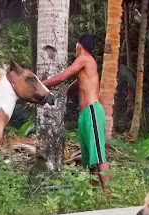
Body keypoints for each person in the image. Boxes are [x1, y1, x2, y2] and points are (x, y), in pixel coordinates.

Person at [42, 34, 110, 195]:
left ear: (79, 45)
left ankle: (108, 195)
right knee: (91, 158)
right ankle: (95, 195)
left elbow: (62, 77)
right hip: (86, 115)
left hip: (93, 111)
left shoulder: (84, 58)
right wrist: (61, 92)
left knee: (99, 156)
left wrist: (40, 85)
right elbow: (73, 86)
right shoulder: (85, 67)